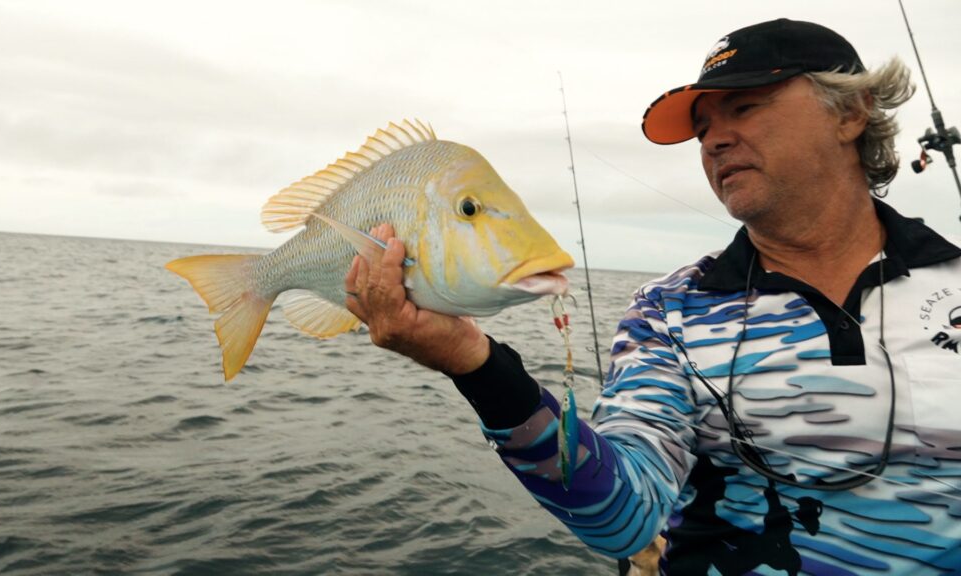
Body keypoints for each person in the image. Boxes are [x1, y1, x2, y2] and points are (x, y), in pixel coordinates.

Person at [344, 18, 961, 575]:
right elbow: (622, 520)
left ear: (851, 112)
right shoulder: (669, 312)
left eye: (744, 107)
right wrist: (474, 363)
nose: (714, 141)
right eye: (702, 128)